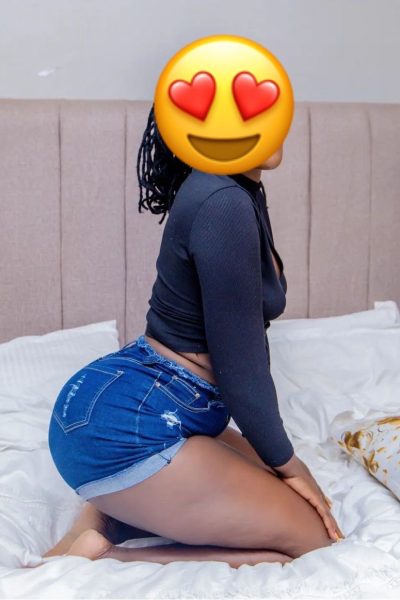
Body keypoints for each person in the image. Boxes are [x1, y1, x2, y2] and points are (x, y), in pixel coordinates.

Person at [43, 105, 345, 569]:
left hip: (136, 403)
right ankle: (110, 557)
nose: (263, 120)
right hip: (133, 421)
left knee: (281, 501)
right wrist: (291, 463)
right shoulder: (223, 201)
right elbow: (241, 367)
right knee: (312, 539)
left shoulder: (237, 190)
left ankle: (100, 521)